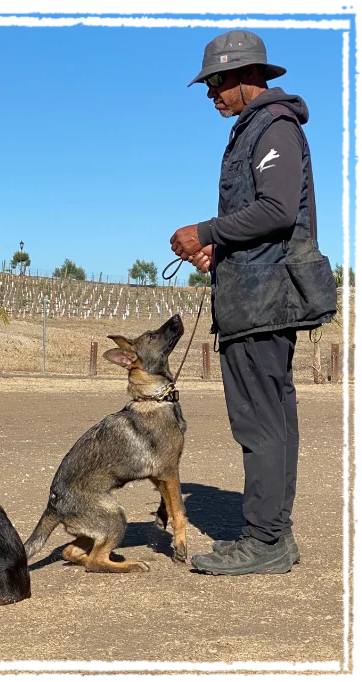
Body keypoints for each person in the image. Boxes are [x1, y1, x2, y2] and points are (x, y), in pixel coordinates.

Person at [170, 30, 337, 575]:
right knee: (273, 420)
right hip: (254, 294)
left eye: (216, 82)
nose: (211, 94)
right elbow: (264, 221)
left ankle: (265, 541)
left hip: (264, 303)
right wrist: (221, 250)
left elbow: (278, 209)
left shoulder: (274, 126)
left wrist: (205, 230)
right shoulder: (255, 128)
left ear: (246, 77)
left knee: (259, 424)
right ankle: (272, 536)